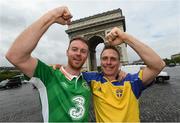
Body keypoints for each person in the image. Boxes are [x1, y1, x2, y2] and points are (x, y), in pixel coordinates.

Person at [6, 6, 91, 122]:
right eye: (74, 49)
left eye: (83, 51)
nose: (78, 54)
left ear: (87, 56)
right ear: (67, 52)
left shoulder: (89, 80)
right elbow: (15, 56)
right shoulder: (49, 76)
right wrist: (52, 16)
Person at [81, 27, 166, 122]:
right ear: (100, 62)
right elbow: (66, 72)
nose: (108, 62)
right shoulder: (92, 79)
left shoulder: (132, 82)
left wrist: (125, 37)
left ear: (119, 63)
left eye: (113, 59)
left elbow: (159, 65)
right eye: (104, 58)